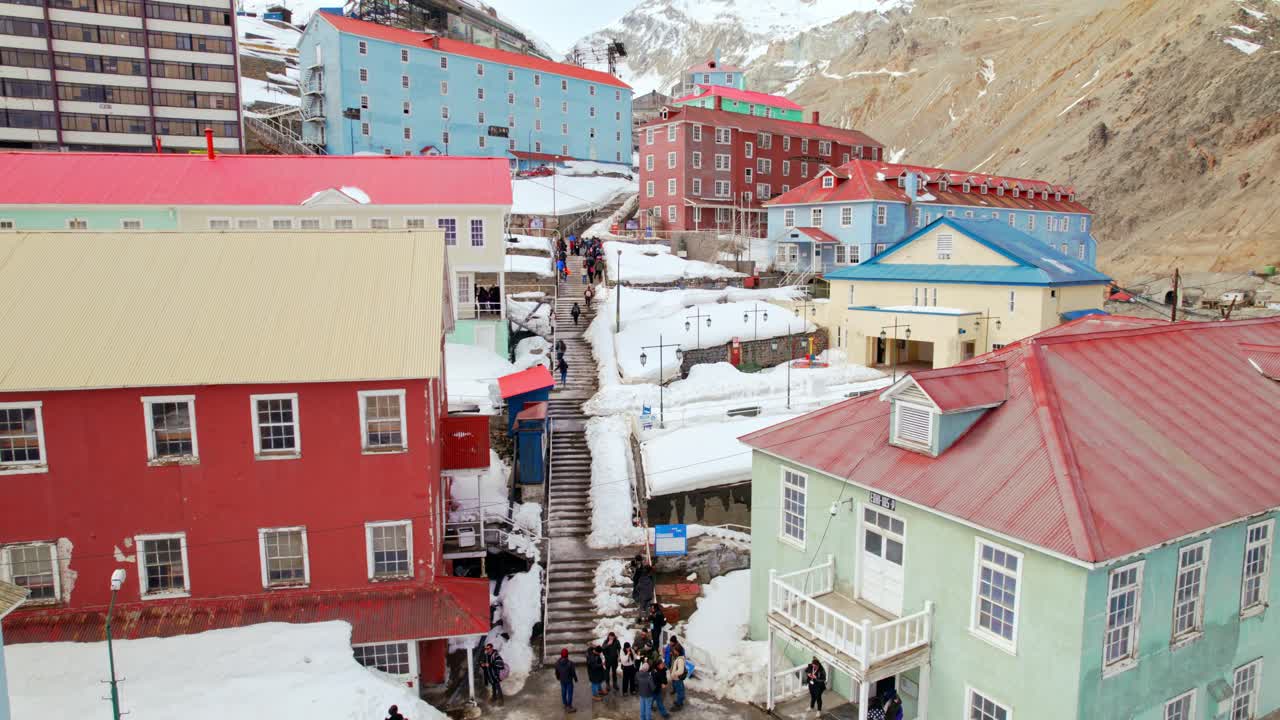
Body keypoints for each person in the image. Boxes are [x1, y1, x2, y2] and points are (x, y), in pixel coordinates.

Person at [555, 648, 578, 713]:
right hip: (569, 681)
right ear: (567, 655)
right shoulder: (571, 663)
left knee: (563, 692)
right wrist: (575, 678)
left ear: (561, 655)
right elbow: (573, 672)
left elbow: (556, 672)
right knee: (570, 693)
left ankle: (565, 704)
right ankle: (569, 706)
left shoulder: (557, 663)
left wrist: (558, 677)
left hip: (562, 680)